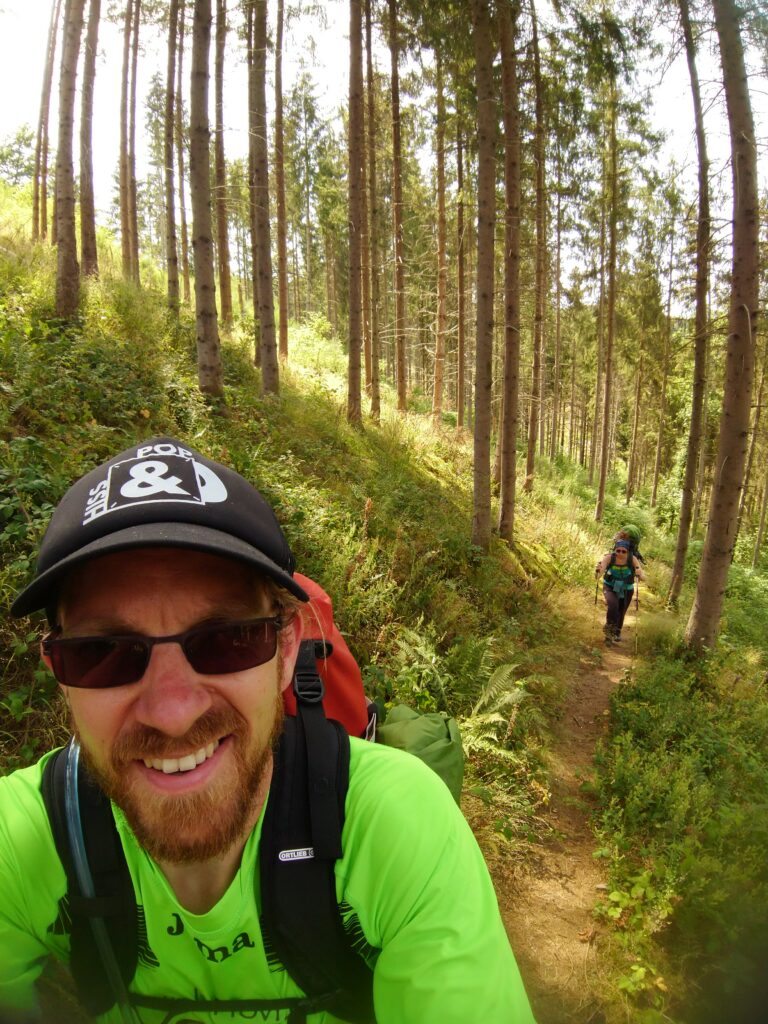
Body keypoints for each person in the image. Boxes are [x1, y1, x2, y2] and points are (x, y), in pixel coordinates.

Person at [0, 437, 536, 1024]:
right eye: (102, 652)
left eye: (227, 639)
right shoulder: (22, 843)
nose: (173, 711)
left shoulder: (394, 825)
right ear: (59, 672)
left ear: (286, 652)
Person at [595, 536, 646, 644]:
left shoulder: (632, 559)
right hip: (610, 586)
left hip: (626, 589)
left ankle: (617, 631)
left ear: (628, 552)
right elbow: (598, 575)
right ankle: (609, 633)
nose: (621, 553)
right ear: (615, 550)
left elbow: (642, 576)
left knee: (621, 611)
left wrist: (639, 574)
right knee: (613, 606)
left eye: (624, 551)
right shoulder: (609, 558)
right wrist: (598, 571)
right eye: (618, 550)